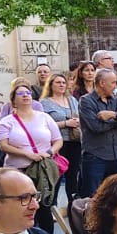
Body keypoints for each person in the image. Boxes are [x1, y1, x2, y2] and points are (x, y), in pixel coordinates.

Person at [0, 80, 62, 234]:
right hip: (18, 171)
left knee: (43, 208)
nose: (25, 96)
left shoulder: (44, 117)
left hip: (42, 170)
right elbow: (3, 145)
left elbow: (58, 140)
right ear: (13, 100)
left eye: (28, 93)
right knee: (21, 208)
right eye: (20, 93)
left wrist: (49, 152)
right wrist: (27, 154)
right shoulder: (7, 122)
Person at [77, 68, 117, 197]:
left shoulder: (115, 100)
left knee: (116, 195)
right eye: (113, 83)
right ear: (102, 83)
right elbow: (96, 127)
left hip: (116, 155)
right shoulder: (86, 101)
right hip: (96, 156)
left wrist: (112, 115)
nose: (115, 86)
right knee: (94, 196)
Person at [41, 71, 82, 208]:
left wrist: (77, 121)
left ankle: (73, 206)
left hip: (75, 142)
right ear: (50, 85)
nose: (61, 85)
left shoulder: (72, 100)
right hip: (57, 144)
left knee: (73, 176)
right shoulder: (45, 103)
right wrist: (65, 123)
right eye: (58, 82)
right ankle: (52, 205)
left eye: (63, 82)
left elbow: (79, 115)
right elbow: (44, 125)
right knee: (56, 175)